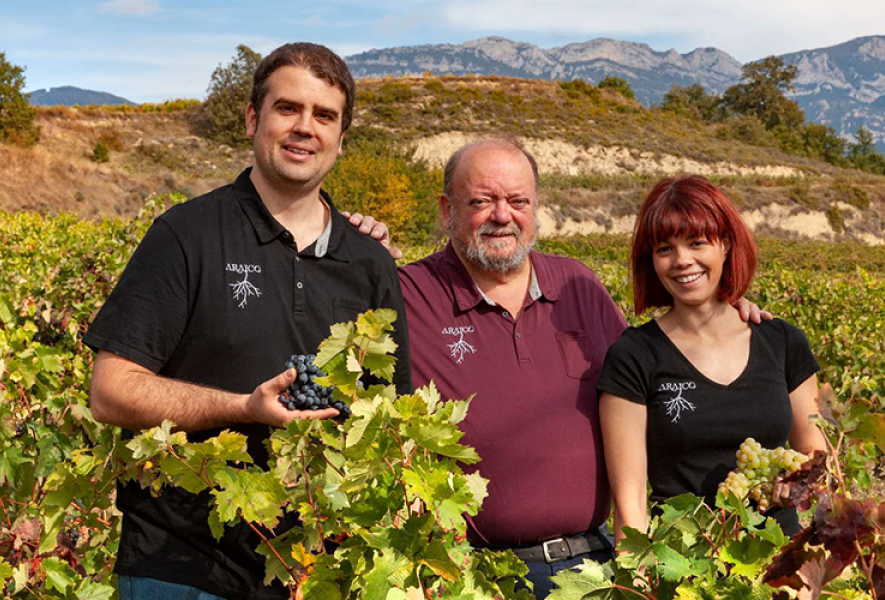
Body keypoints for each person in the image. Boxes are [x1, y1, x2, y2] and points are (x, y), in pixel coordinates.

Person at [84, 43, 410, 600]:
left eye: (324, 116)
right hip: (180, 563)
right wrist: (241, 409)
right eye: (288, 109)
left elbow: (390, 417)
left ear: (341, 139)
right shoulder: (185, 235)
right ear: (253, 119)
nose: (305, 128)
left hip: (317, 568)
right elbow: (109, 392)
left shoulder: (369, 260)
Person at [395, 140, 769, 598]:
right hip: (475, 577)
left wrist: (720, 310)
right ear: (446, 208)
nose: (501, 215)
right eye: (481, 201)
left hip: (596, 566)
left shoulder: (577, 285)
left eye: (518, 201)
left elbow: (654, 369)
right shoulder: (408, 295)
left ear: (535, 207)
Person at [597, 176, 826, 544]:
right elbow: (630, 503)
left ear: (726, 246)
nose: (682, 261)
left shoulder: (782, 342)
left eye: (697, 242)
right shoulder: (633, 356)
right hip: (684, 562)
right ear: (651, 261)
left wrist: (797, 485)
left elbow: (817, 457)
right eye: (664, 248)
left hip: (779, 559)